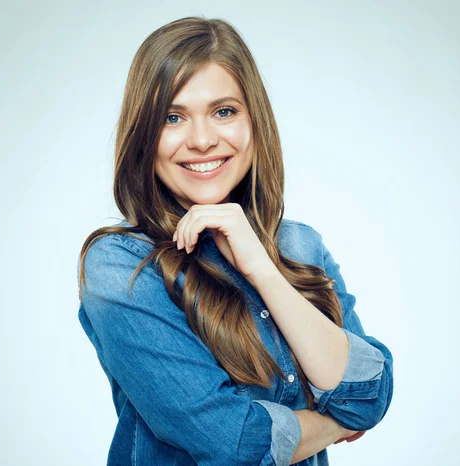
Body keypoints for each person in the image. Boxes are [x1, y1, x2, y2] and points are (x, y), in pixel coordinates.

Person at [77, 16, 393, 466]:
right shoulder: (121, 267)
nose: (203, 140)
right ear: (144, 136)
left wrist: (262, 269)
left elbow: (368, 394)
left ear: (253, 121)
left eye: (224, 111)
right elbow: (231, 442)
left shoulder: (300, 246)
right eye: (172, 117)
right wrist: (335, 425)